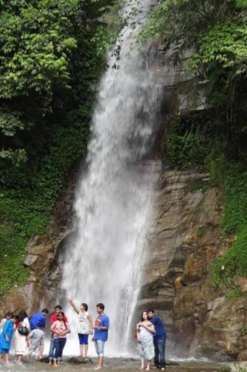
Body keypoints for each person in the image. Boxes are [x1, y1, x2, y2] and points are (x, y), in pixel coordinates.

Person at [93, 303, 110, 371]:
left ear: (101, 309)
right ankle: (101, 364)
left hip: (102, 336)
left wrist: (98, 327)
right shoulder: (98, 317)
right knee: (97, 350)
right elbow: (96, 327)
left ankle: (100, 366)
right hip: (97, 336)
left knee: (100, 350)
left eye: (97, 308)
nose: (96, 310)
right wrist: (94, 336)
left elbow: (106, 327)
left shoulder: (105, 317)